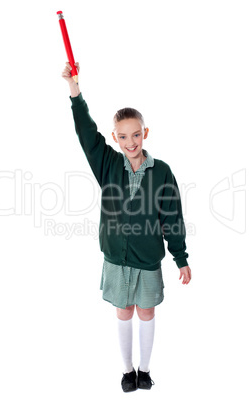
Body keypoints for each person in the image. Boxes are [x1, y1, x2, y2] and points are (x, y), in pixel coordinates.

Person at [62, 61, 192, 392]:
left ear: (144, 133)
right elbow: (85, 133)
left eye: (136, 135)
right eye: (123, 137)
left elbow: (172, 217)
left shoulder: (161, 171)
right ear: (115, 138)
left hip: (147, 258)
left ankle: (145, 370)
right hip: (116, 259)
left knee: (145, 312)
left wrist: (180, 257)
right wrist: (75, 91)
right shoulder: (106, 164)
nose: (130, 142)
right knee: (124, 313)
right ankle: (126, 371)